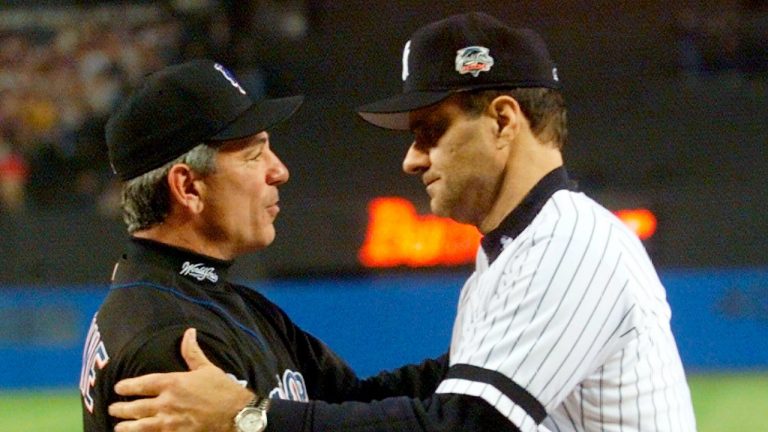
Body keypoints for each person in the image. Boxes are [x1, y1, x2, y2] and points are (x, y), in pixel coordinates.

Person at [108, 12, 698, 432]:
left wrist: (250, 419)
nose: (412, 158)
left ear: (502, 121)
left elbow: (467, 423)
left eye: (431, 131)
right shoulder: (515, 252)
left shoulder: (569, 243)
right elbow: (387, 397)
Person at [80, 59, 422, 431]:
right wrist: (252, 418)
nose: (279, 170)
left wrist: (485, 363)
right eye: (254, 155)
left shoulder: (210, 298)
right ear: (189, 188)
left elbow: (359, 401)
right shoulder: (173, 342)